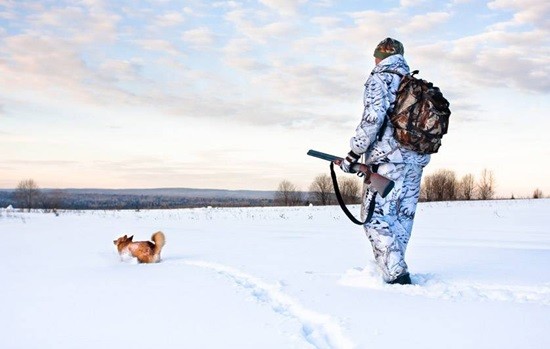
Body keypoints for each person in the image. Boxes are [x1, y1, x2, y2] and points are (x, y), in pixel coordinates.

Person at [335, 38, 430, 285]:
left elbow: (372, 120)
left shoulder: (381, 78)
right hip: (416, 159)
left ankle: (396, 274)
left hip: (387, 160)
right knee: (402, 217)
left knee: (374, 218)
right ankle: (395, 266)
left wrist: (353, 154)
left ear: (379, 56)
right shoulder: (412, 83)